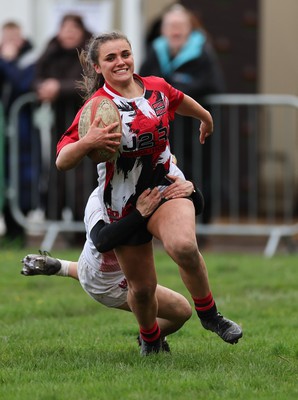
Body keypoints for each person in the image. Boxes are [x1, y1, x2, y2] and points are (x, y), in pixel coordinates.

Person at [55, 31, 242, 355]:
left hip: (165, 183)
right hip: (124, 202)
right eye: (110, 58)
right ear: (97, 67)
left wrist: (205, 118)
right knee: (142, 290)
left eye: (124, 54)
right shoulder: (98, 107)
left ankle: (210, 315)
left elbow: (177, 99)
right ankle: (151, 340)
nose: (120, 62)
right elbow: (62, 160)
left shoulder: (155, 85)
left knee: (183, 246)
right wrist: (89, 142)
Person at [21, 174, 204, 354]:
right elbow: (103, 242)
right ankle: (149, 338)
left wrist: (191, 189)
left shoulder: (145, 192)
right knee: (181, 310)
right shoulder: (99, 199)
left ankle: (61, 267)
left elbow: (197, 207)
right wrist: (140, 214)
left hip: (99, 269)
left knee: (131, 278)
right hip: (107, 280)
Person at [139, 4, 226, 223]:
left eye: (180, 26)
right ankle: (170, 221)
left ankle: (202, 223)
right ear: (163, 30)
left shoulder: (203, 52)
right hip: (165, 131)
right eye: (170, 26)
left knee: (200, 173)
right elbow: (141, 83)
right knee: (167, 174)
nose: (175, 31)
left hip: (195, 130)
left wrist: (176, 89)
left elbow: (214, 85)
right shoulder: (155, 52)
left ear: (189, 29)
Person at [33, 14, 95, 225]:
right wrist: (42, 88)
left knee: (84, 176)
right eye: (65, 27)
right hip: (59, 124)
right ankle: (56, 222)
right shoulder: (51, 51)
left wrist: (59, 88)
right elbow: (35, 76)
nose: (69, 32)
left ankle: (84, 222)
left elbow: (90, 83)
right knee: (57, 171)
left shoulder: (91, 53)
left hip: (85, 123)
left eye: (73, 27)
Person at [0, 21, 37, 240]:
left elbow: (22, 84)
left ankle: (17, 231)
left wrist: (7, 61)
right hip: (4, 130)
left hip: (21, 130)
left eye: (15, 37)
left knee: (21, 177)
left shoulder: (29, 60)